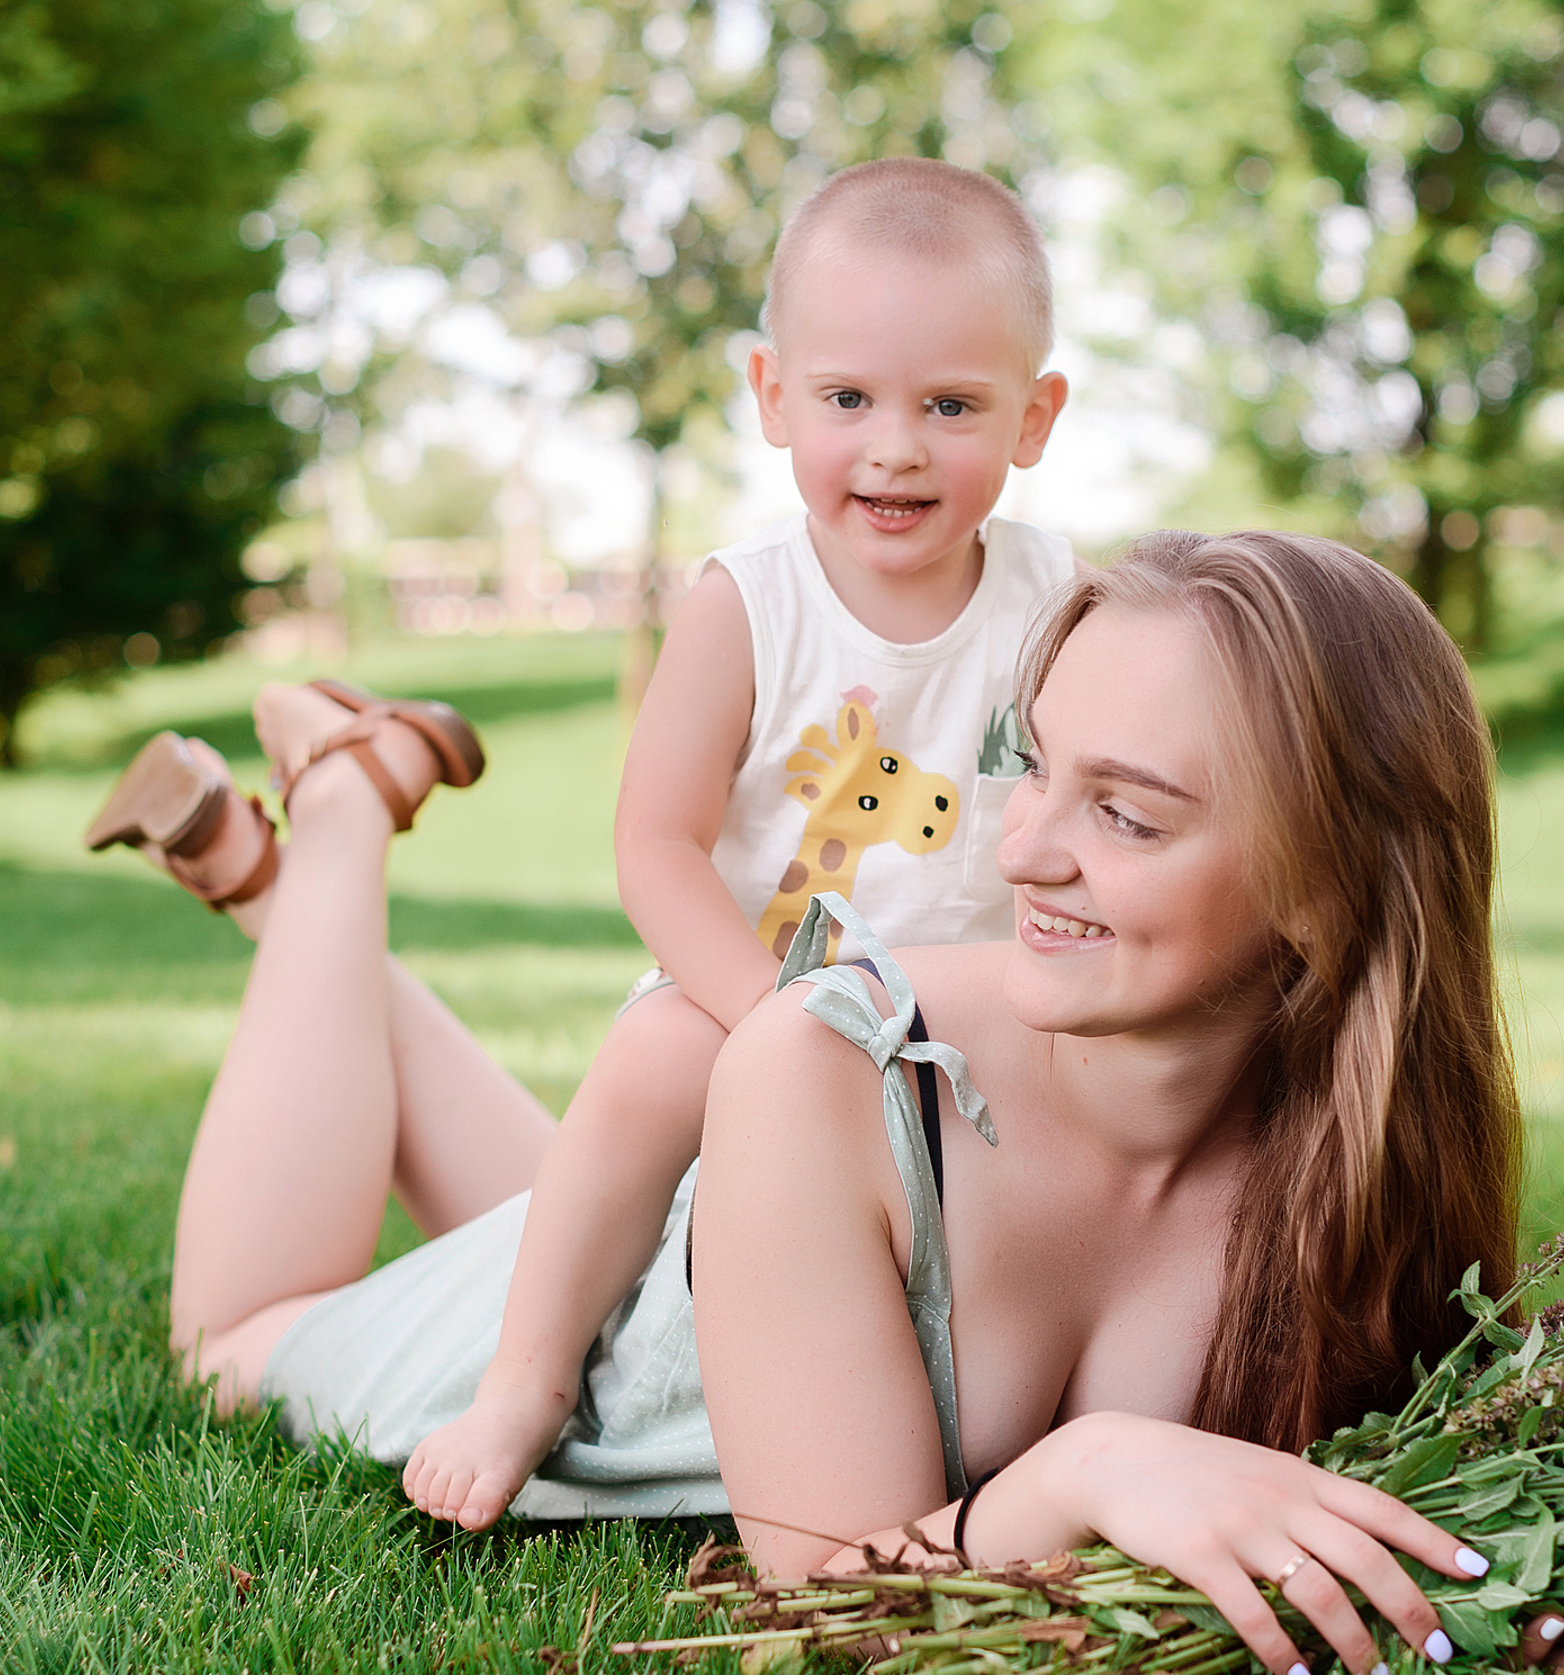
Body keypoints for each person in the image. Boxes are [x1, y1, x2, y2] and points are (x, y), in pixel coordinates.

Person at [88, 527, 1564, 1675]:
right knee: (236, 1334)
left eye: (1128, 815)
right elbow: (830, 1593)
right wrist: (1084, 1473)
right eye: (1038, 771)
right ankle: (338, 817)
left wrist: (1561, 1590)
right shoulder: (826, 1064)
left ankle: (269, 872)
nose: (1018, 854)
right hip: (521, 1336)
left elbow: (1401, 1492)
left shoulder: (1354, 1169)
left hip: (711, 1250)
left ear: (1332, 888)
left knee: (590, 1202)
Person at [87, 156, 1077, 1532]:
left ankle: (304, 836)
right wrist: (772, 1023)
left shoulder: (1057, 599)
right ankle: (525, 1380)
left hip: (900, 1087)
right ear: (772, 394)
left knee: (564, 1217)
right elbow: (656, 847)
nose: (895, 446)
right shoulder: (750, 604)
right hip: (739, 1029)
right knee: (645, 1075)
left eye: (951, 406)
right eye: (849, 398)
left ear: (1034, 418)